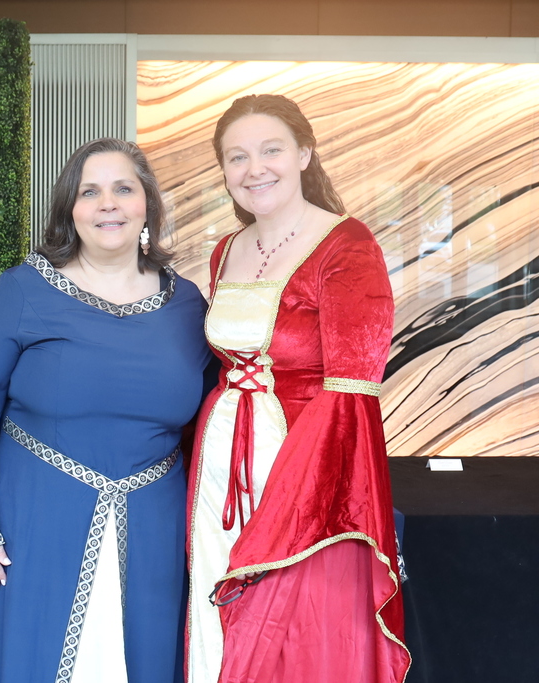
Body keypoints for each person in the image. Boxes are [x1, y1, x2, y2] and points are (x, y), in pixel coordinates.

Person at [0, 138, 212, 682]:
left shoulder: (188, 305)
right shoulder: (23, 291)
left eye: (123, 189)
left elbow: (213, 418)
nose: (108, 204)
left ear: (147, 206)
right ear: (70, 210)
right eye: (90, 192)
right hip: (33, 522)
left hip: (155, 530)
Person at [186, 94, 411, 683]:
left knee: (293, 616)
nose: (253, 168)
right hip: (222, 463)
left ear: (305, 153)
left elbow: (351, 387)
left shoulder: (347, 243)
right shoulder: (224, 251)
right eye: (236, 157)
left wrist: (294, 498)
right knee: (217, 595)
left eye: (270, 150)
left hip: (308, 464)